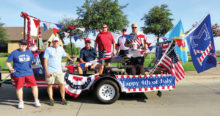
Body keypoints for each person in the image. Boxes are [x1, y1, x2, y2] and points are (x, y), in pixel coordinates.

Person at [6, 39, 41, 109]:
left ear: (26, 46)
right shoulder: (14, 52)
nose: (23, 46)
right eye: (22, 45)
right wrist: (10, 68)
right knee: (19, 88)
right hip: (18, 74)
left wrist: (35, 63)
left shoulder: (29, 52)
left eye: (25, 45)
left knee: (34, 86)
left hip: (29, 73)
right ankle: (21, 102)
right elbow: (7, 62)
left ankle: (36, 100)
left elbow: (32, 61)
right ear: (19, 44)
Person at [44, 37, 76, 106]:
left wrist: (71, 59)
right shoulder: (48, 49)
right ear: (52, 42)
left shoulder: (61, 49)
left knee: (62, 84)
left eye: (57, 42)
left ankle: (63, 99)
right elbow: (45, 61)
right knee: (50, 85)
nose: (56, 43)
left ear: (59, 42)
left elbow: (66, 54)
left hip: (59, 70)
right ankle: (51, 99)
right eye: (54, 42)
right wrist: (46, 71)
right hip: (50, 70)